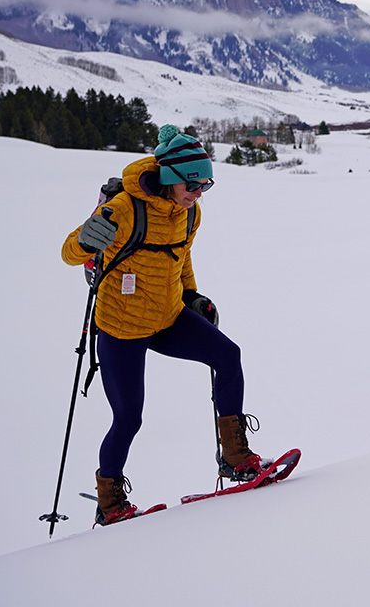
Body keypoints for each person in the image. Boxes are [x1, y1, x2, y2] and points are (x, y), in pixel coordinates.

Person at [62, 124, 270, 525]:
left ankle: (236, 457)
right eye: (193, 184)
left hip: (168, 316)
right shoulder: (124, 208)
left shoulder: (189, 212)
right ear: (172, 178)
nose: (198, 192)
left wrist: (192, 297)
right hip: (121, 328)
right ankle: (109, 505)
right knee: (128, 419)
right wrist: (85, 240)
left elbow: (181, 257)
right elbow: (69, 253)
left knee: (228, 356)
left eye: (206, 185)